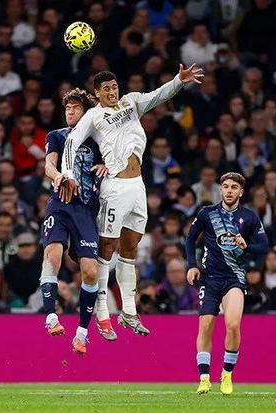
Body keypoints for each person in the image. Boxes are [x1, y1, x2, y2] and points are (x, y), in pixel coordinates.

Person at [61, 64, 204, 337]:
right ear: (97, 93)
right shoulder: (94, 116)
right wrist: (67, 174)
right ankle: (102, 312)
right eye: (106, 89)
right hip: (115, 186)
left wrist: (179, 80)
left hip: (138, 187)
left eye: (114, 87)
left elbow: (159, 95)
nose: (112, 92)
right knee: (107, 248)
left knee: (130, 250)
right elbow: (71, 142)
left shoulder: (132, 102)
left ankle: (128, 312)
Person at [185, 172, 269, 395]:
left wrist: (246, 245)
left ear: (241, 192)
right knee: (205, 326)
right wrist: (192, 265)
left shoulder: (249, 217)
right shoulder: (207, 213)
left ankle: (227, 374)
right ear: (220, 189)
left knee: (232, 325)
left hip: (234, 278)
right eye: (226, 186)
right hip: (209, 277)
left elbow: (264, 246)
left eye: (234, 187)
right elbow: (190, 239)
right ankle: (204, 378)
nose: (229, 191)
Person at [39, 88, 107, 354]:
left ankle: (82, 333)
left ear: (86, 112)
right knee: (52, 255)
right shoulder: (57, 136)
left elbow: (114, 165)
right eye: (67, 107)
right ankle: (50, 316)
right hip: (59, 205)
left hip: (86, 210)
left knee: (90, 272)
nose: (70, 111)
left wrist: (106, 167)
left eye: (76, 107)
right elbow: (48, 164)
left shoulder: (98, 141)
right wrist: (58, 176)